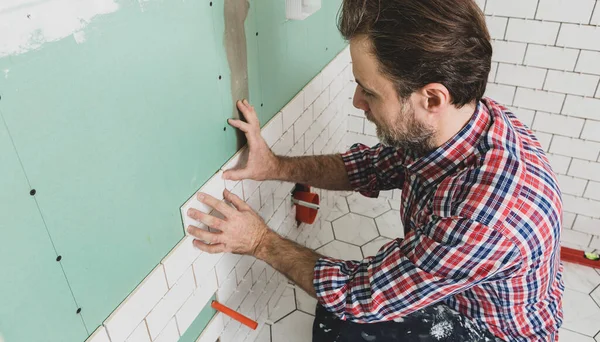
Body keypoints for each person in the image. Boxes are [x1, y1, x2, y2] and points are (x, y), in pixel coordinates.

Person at [185, 0, 564, 340]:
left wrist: (258, 241)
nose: (356, 101)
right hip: (471, 290)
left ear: (432, 97)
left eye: (369, 90)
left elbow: (360, 295)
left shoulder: (480, 219)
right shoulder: (463, 124)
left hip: (492, 332)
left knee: (345, 321)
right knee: (335, 315)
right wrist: (275, 166)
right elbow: (372, 167)